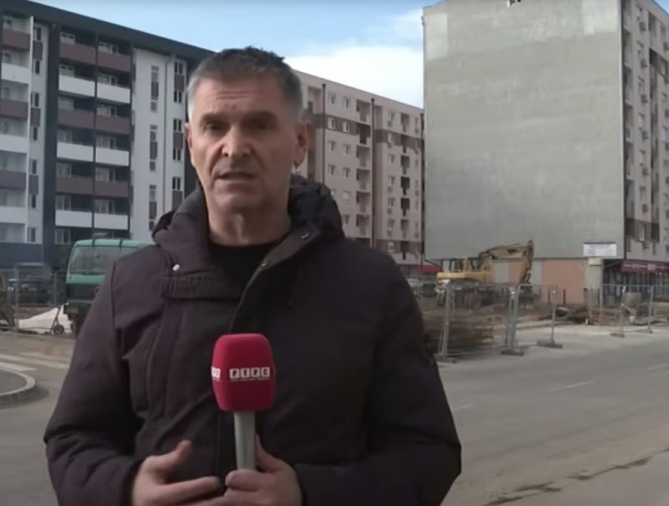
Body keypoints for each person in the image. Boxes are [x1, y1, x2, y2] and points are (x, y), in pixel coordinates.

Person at [44, 46, 462, 506]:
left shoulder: (371, 286)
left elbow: (428, 452)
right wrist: (125, 489)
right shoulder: (129, 284)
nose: (234, 147)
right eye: (214, 127)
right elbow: (73, 439)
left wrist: (310, 494)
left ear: (300, 141)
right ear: (190, 143)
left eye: (259, 125)